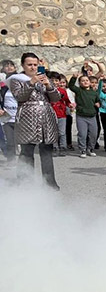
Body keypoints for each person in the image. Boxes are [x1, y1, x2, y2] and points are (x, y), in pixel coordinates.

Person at [8, 53, 61, 190]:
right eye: (29, 64)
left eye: (35, 64)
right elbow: (20, 96)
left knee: (46, 150)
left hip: (46, 118)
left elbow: (56, 98)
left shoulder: (44, 78)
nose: (32, 67)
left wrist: (49, 85)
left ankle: (49, 183)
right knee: (27, 151)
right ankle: (25, 183)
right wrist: (31, 83)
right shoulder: (16, 79)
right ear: (23, 66)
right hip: (27, 117)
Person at [68, 72, 100, 158]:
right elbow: (71, 86)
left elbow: (98, 101)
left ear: (89, 82)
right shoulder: (79, 91)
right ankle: (83, 149)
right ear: (80, 83)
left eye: (86, 80)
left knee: (94, 134)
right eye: (82, 81)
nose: (85, 82)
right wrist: (74, 77)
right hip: (81, 116)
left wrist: (98, 104)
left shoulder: (94, 93)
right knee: (82, 134)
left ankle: (91, 148)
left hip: (92, 116)